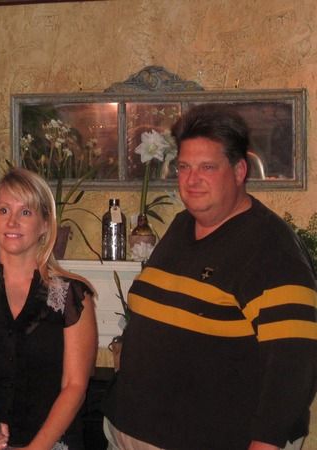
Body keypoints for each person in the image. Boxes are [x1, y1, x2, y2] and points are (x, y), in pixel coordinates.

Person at [102, 104, 317, 450]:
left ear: (239, 170)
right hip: (130, 431)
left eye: (207, 167)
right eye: (184, 167)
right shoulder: (181, 226)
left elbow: (292, 367)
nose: (191, 180)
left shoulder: (272, 250)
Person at [0, 167, 98, 450]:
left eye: (25, 212)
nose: (12, 221)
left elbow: (74, 387)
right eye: (3, 211)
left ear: (45, 224)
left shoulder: (72, 297)